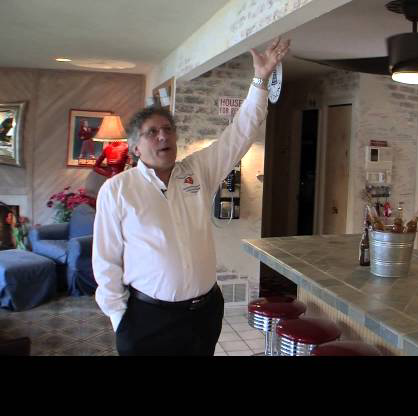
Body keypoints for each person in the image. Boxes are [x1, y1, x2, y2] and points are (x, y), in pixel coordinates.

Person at [92, 37, 290, 356]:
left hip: (203, 315)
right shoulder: (118, 190)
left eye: (168, 129)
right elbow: (106, 261)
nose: (163, 136)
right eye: (152, 132)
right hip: (147, 319)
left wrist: (259, 80)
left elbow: (240, 133)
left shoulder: (197, 170)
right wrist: (120, 319)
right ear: (135, 148)